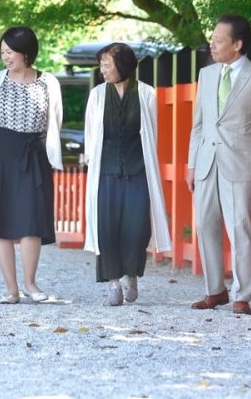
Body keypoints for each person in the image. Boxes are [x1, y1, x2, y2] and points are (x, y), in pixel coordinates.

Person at [0, 26, 63, 304]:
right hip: (0, 154)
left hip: (33, 153)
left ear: (26, 53)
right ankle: (11, 288)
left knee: (32, 221)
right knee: (2, 221)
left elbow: (55, 122)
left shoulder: (49, 82)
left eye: (10, 52)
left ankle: (31, 284)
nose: (5, 57)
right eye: (2, 52)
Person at [187, 15, 251, 315]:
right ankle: (215, 290)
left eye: (218, 40)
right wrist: (191, 164)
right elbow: (198, 124)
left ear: (237, 45)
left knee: (240, 227)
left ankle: (242, 294)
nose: (212, 44)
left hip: (240, 164)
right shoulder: (207, 74)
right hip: (206, 163)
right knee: (205, 225)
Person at [82, 43, 172, 306]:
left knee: (136, 227)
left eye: (108, 65)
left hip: (138, 170)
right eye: (101, 66)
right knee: (107, 226)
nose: (103, 71)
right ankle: (113, 283)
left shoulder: (146, 94)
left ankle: (131, 275)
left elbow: (151, 134)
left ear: (124, 66)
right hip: (106, 171)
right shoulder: (98, 95)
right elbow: (91, 135)